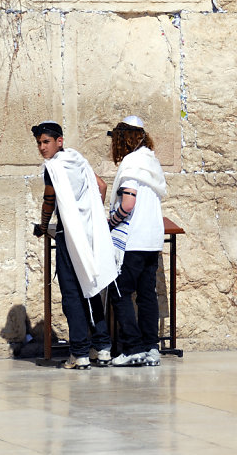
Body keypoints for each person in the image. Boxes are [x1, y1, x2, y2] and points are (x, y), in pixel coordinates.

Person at [33, 121, 118, 369]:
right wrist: (87, 217)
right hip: (89, 234)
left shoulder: (54, 167)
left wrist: (43, 225)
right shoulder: (77, 160)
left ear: (59, 141)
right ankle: (102, 348)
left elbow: (50, 199)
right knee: (91, 287)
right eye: (39, 143)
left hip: (68, 236)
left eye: (46, 142)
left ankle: (79, 353)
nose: (42, 147)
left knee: (71, 294)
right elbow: (100, 186)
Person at [106, 115, 167, 367]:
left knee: (120, 293)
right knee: (146, 295)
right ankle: (152, 348)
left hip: (133, 241)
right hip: (152, 240)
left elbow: (128, 202)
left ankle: (133, 347)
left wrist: (111, 221)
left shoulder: (132, 165)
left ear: (124, 138)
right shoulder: (151, 162)